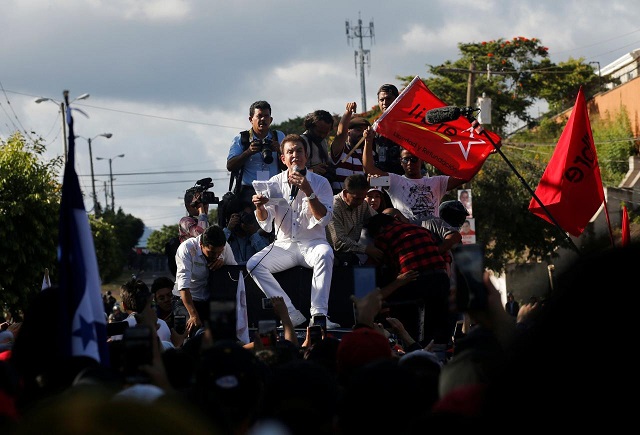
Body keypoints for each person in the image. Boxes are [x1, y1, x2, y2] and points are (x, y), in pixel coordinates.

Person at [246, 134, 339, 329]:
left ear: (306, 155)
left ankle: (319, 315)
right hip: (284, 244)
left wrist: (308, 190)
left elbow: (324, 219)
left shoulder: (321, 182)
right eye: (290, 152)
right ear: (283, 158)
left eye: (299, 151)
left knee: (326, 253)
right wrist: (260, 208)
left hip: (312, 242)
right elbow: (266, 224)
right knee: (254, 264)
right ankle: (290, 313)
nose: (295, 155)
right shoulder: (273, 182)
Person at [366, 212, 452, 348]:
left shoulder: (383, 237)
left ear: (379, 229)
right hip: (441, 278)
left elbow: (377, 263)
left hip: (415, 279)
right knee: (437, 317)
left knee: (394, 301)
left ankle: (404, 339)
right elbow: (440, 251)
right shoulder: (421, 230)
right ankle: (438, 348)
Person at [362, 129, 469, 224]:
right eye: (405, 160)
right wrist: (368, 141)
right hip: (409, 234)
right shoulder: (394, 181)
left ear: (421, 160)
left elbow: (465, 176)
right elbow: (369, 169)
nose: (409, 163)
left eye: (413, 159)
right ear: (401, 162)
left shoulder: (438, 182)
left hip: (433, 235)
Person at [173, 225, 237, 337]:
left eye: (219, 252)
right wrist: (193, 315)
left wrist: (223, 264)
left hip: (210, 299)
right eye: (212, 252)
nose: (216, 255)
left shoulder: (224, 247)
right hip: (187, 299)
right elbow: (184, 286)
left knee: (225, 331)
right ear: (201, 245)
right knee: (193, 331)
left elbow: (234, 275)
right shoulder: (187, 248)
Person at [226, 100, 285, 205]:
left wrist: (280, 152)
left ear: (271, 120)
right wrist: (248, 152)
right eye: (259, 116)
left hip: (273, 189)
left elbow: (289, 166)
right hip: (249, 192)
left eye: (266, 116)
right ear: (251, 119)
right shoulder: (241, 139)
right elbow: (230, 166)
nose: (263, 119)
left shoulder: (279, 136)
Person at [326, 174, 383, 266]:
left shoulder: (362, 204)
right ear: (345, 193)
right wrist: (366, 249)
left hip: (352, 251)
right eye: (356, 199)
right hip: (332, 253)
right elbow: (339, 242)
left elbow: (377, 220)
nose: (361, 202)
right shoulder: (333, 207)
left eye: (363, 197)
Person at [329, 102, 369, 193]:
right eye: (358, 130)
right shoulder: (340, 150)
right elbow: (340, 134)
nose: (362, 133)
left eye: (365, 130)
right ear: (349, 132)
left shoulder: (369, 152)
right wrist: (348, 113)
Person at [221, 197, 270, 265]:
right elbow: (216, 247)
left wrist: (253, 234)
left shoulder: (258, 237)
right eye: (243, 215)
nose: (246, 218)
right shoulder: (227, 239)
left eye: (249, 216)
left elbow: (267, 256)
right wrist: (229, 229)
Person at [372, 83, 404, 175]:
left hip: (404, 179)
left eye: (388, 99)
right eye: (382, 100)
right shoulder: (375, 127)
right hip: (382, 179)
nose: (385, 102)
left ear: (397, 100)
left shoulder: (406, 125)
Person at [301, 109, 336, 184]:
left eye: (325, 132)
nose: (322, 135)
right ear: (310, 126)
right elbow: (293, 168)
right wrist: (312, 170)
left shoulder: (322, 141)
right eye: (319, 132)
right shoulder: (301, 142)